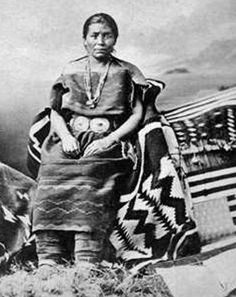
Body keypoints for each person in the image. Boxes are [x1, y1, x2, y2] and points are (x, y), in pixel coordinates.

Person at [32, 13, 148, 272]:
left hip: (108, 142)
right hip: (70, 137)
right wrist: (65, 137)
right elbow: (56, 113)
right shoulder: (71, 69)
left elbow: (138, 114)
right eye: (94, 35)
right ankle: (48, 257)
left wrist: (109, 139)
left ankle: (87, 258)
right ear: (84, 40)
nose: (100, 41)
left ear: (115, 38)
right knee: (51, 172)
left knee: (91, 174)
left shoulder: (126, 71)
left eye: (107, 35)